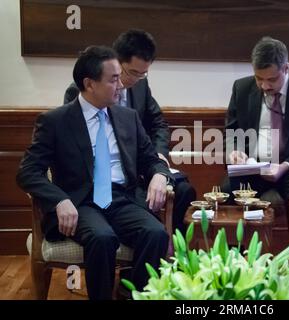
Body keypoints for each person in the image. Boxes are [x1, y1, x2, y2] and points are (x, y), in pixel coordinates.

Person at [17, 46, 172, 300]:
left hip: (122, 198)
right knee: (102, 238)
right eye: (113, 79)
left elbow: (150, 159)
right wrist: (59, 200)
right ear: (90, 84)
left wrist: (159, 175)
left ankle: (137, 296)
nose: (121, 85)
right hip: (80, 202)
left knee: (155, 234)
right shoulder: (55, 121)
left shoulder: (127, 117)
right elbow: (27, 171)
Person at [64, 29, 196, 234]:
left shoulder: (141, 86)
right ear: (116, 62)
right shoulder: (83, 90)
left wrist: (159, 155)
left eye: (143, 73)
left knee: (184, 191)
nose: (137, 78)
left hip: (142, 165)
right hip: (108, 177)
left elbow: (158, 123)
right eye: (133, 72)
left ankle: (170, 253)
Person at [222, 36, 289, 221]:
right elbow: (232, 131)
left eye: (271, 79)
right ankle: (234, 250)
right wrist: (234, 151)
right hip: (253, 167)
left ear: (286, 68)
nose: (264, 86)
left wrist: (285, 166)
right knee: (227, 191)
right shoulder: (241, 87)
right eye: (259, 78)